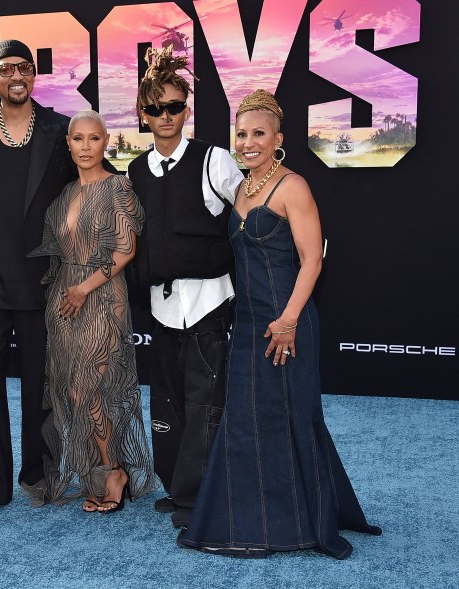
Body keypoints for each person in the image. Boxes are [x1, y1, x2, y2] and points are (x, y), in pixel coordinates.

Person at [177, 89, 381, 558]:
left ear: (278, 139)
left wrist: (288, 320)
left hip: (288, 321)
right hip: (248, 324)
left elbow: (312, 261)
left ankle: (304, 520)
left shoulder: (293, 187)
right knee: (247, 422)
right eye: (241, 134)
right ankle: (252, 519)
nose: (248, 142)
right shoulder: (243, 188)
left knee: (291, 416)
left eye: (258, 134)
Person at [0, 40, 78, 522]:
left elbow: (83, 191)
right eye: (6, 68)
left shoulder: (59, 128)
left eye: (24, 67)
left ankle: (39, 475)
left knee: (41, 385)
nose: (16, 75)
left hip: (42, 279)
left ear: (34, 75)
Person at [126, 46, 243, 528]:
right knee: (169, 402)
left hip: (209, 303)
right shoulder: (135, 171)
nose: (165, 116)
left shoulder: (215, 160)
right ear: (142, 114)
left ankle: (200, 497)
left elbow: (251, 216)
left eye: (174, 106)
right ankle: (176, 488)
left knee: (206, 405)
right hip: (160, 306)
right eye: (155, 108)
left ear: (186, 110)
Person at [29, 110, 154, 513]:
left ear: (106, 142)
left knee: (90, 387)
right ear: (68, 143)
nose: (86, 147)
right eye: (78, 139)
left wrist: (83, 287)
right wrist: (69, 292)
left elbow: (126, 250)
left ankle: (113, 469)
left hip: (101, 298)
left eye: (94, 139)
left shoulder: (118, 187)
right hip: (66, 303)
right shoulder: (64, 195)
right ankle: (97, 471)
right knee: (72, 390)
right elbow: (58, 256)